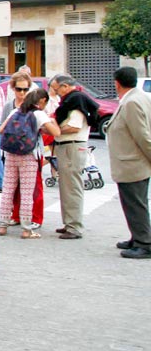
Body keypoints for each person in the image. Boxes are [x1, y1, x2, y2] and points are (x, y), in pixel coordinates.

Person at [0, 89, 59, 239]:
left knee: (8, 190)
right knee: (26, 193)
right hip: (29, 156)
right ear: (42, 100)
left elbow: (1, 129)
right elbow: (56, 133)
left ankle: (2, 226)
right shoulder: (38, 114)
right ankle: (26, 229)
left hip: (11, 155)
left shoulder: (16, 112)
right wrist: (51, 121)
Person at [107, 67, 151, 259]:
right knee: (133, 203)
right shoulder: (140, 97)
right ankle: (138, 236)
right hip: (132, 162)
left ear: (117, 83)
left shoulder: (131, 102)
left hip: (133, 163)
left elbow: (142, 136)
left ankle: (144, 243)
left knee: (135, 204)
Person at [49, 74, 98, 239]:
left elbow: (74, 126)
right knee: (67, 186)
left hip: (72, 145)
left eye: (56, 89)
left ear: (65, 86)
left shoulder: (76, 100)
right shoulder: (72, 100)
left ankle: (74, 226)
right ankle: (69, 222)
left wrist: (54, 130)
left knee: (71, 187)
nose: (55, 92)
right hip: (68, 146)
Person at [0, 72, 45, 229]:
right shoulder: (9, 107)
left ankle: (35, 217)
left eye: (26, 90)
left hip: (31, 151)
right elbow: (1, 128)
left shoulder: (34, 108)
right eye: (19, 89)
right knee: (12, 187)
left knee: (34, 187)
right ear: (13, 88)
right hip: (11, 151)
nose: (22, 93)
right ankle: (15, 215)